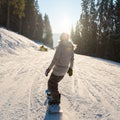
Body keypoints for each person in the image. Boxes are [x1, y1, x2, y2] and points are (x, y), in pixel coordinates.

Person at [45, 32, 74, 105]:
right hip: (64, 71)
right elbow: (72, 59)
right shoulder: (70, 46)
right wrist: (70, 68)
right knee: (54, 83)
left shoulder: (60, 46)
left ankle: (56, 99)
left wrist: (49, 69)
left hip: (58, 70)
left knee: (51, 83)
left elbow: (55, 59)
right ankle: (50, 93)